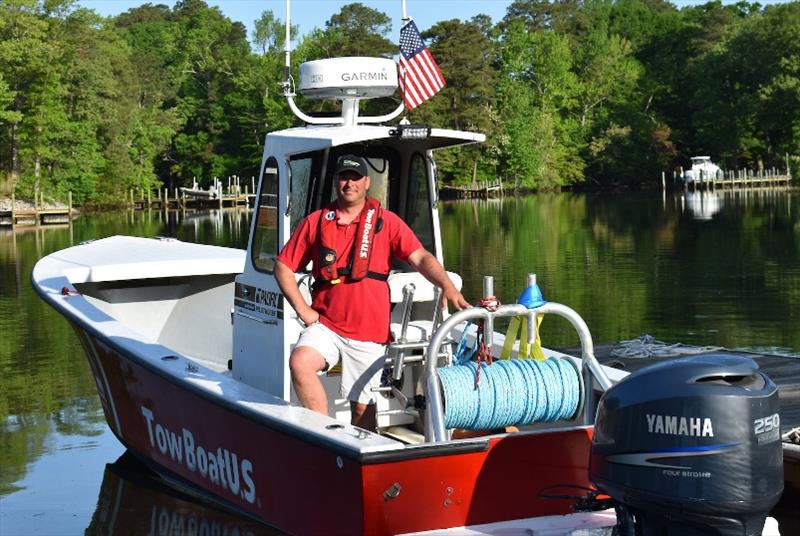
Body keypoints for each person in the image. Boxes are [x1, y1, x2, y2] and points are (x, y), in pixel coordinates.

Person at [275, 154, 469, 431]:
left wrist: (446, 285)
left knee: (364, 411)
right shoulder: (316, 222)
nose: (349, 183)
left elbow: (420, 257)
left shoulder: (386, 222)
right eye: (343, 177)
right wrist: (302, 309)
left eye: (355, 178)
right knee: (300, 362)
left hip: (368, 332)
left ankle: (362, 448)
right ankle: (324, 435)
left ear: (367, 183)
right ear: (335, 182)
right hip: (326, 325)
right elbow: (283, 266)